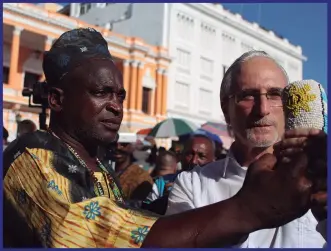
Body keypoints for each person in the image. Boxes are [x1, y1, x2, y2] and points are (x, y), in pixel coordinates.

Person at [2, 29, 323, 248]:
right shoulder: (32, 157)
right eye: (101, 92)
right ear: (57, 100)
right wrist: (248, 209)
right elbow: (79, 230)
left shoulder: (98, 167)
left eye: (120, 94)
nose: (116, 105)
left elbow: (125, 214)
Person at [166, 51, 326, 247]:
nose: (263, 109)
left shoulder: (320, 177)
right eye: (248, 96)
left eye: (275, 95)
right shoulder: (192, 186)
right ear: (226, 109)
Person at [114, 134, 154, 201]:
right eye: (113, 144)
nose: (118, 147)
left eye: (124, 144)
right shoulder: (98, 170)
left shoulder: (142, 177)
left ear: (132, 147)